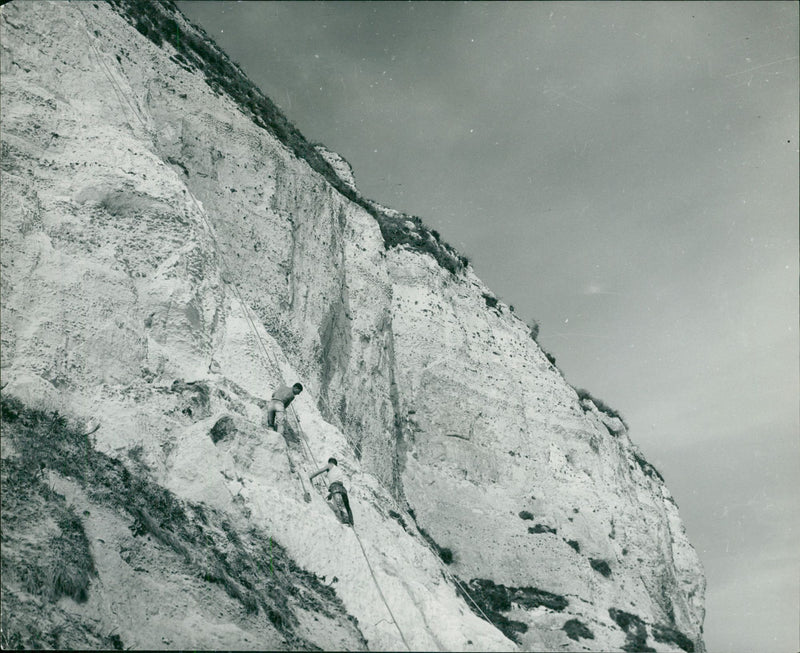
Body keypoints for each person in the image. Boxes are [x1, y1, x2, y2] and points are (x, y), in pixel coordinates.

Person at [310, 457, 353, 525]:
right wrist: (331, 494)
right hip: (342, 488)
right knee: (347, 505)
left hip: (335, 487)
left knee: (340, 505)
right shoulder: (338, 470)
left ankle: (346, 521)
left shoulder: (330, 465)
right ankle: (351, 521)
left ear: (330, 462)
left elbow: (320, 471)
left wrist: (311, 476)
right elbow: (337, 481)